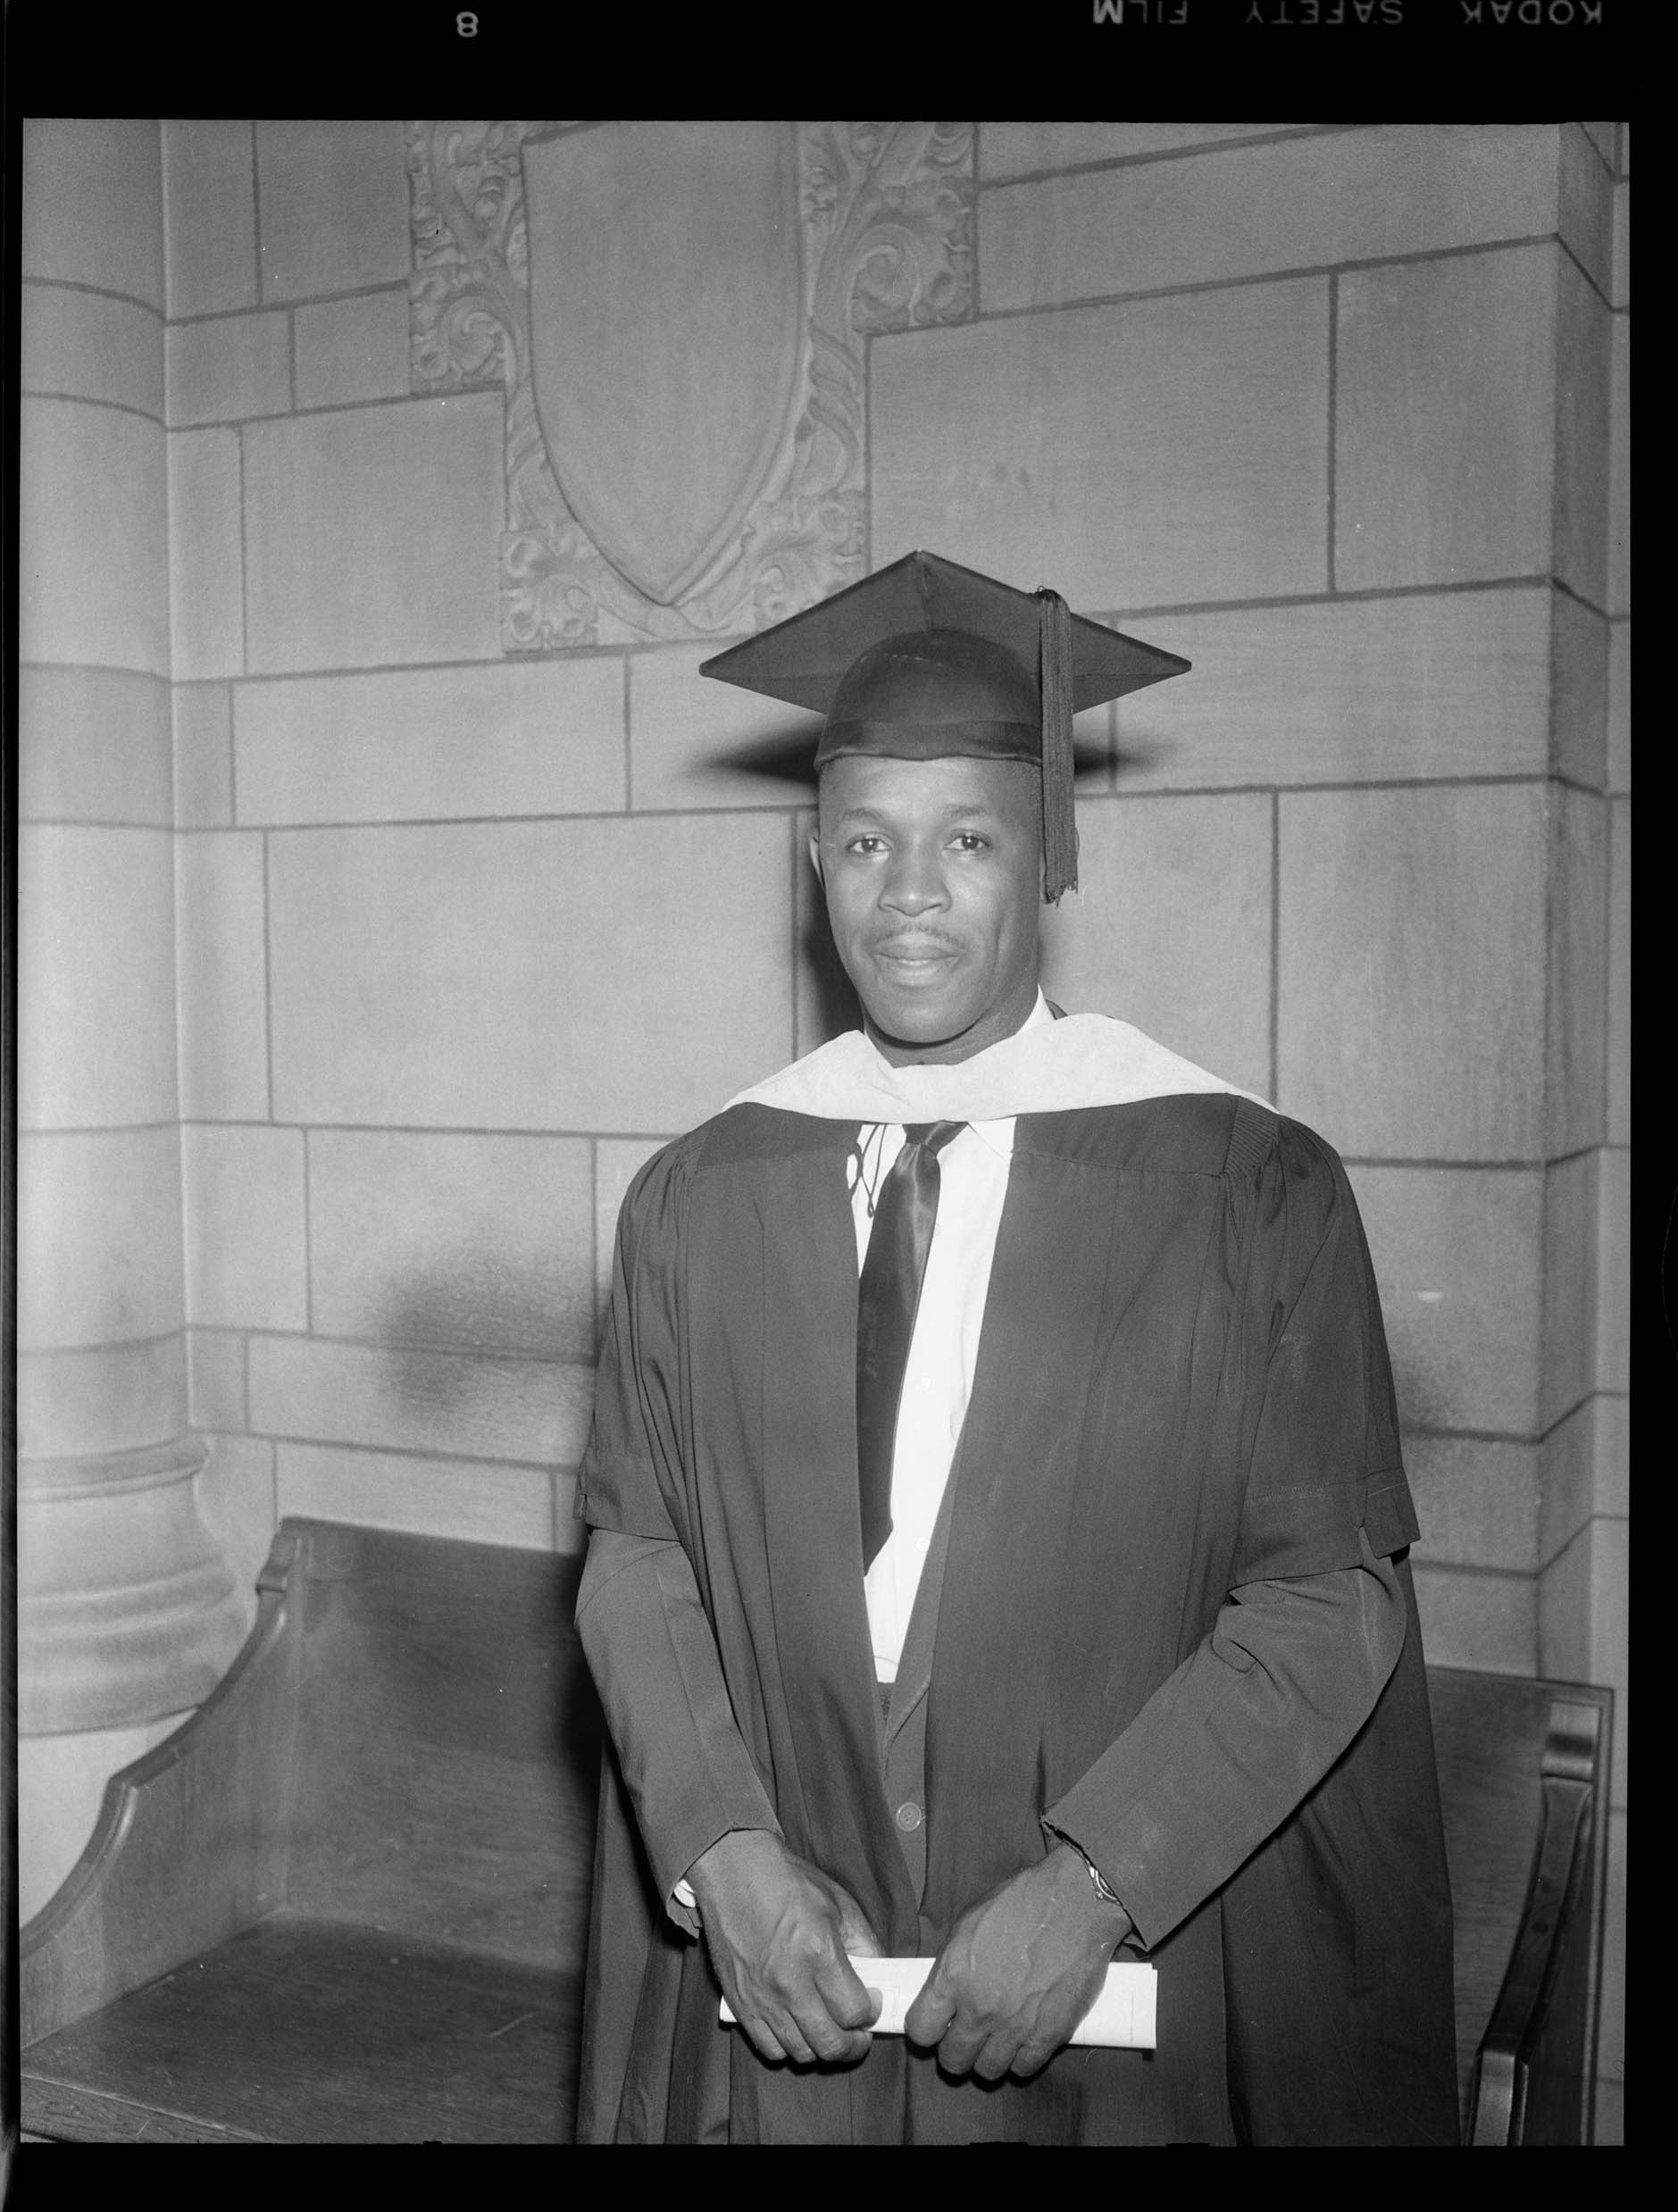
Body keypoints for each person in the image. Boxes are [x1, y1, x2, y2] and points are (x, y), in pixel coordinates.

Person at [573, 550, 1459, 2146]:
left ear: (1049, 854)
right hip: (793, 2014)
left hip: (1122, 2020)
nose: (909, 891)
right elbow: (637, 1550)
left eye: (967, 837)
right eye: (866, 840)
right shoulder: (695, 1198)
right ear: (812, 858)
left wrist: (1100, 1880)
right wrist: (720, 1849)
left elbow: (1331, 1595)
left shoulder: (1248, 1190)